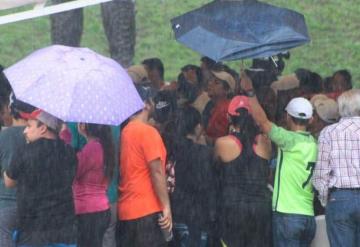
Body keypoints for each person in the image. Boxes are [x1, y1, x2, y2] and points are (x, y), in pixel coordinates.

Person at [241, 72, 317, 247]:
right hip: (308, 217)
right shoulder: (314, 143)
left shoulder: (289, 141)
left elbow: (262, 121)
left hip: (288, 216)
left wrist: (250, 92)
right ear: (311, 119)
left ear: (288, 117)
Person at [3, 109, 77, 247]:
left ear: (43, 128)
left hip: (33, 231)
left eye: (29, 126)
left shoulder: (24, 151)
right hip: (65, 231)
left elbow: (9, 181)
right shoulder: (69, 153)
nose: (25, 131)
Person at [117, 85, 172, 247]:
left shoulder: (124, 132)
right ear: (146, 105)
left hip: (126, 212)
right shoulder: (148, 132)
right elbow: (157, 172)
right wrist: (166, 206)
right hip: (147, 210)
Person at [214, 95, 272, 247]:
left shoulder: (223, 143)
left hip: (234, 209)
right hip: (260, 208)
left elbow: (214, 169)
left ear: (228, 117)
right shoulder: (265, 141)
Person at [313, 89, 360, 247]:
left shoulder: (329, 132)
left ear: (340, 109)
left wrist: (326, 198)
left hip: (340, 198)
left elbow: (321, 173)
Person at [165, 106, 215, 247]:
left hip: (174, 213)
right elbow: (208, 186)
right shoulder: (203, 154)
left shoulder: (170, 149)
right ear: (198, 127)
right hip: (196, 217)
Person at [0, 94, 34, 247]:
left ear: (9, 109)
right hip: (31, 205)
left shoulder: (3, 136)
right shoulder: (38, 137)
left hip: (5, 206)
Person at [73, 123, 116, 247]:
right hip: (101, 208)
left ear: (84, 126)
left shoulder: (91, 148)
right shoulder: (104, 147)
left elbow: (74, 172)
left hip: (87, 211)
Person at [204, 69, 236, 143]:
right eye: (211, 80)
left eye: (217, 83)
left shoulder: (225, 109)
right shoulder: (213, 106)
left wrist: (205, 139)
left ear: (226, 90)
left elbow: (224, 140)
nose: (210, 84)